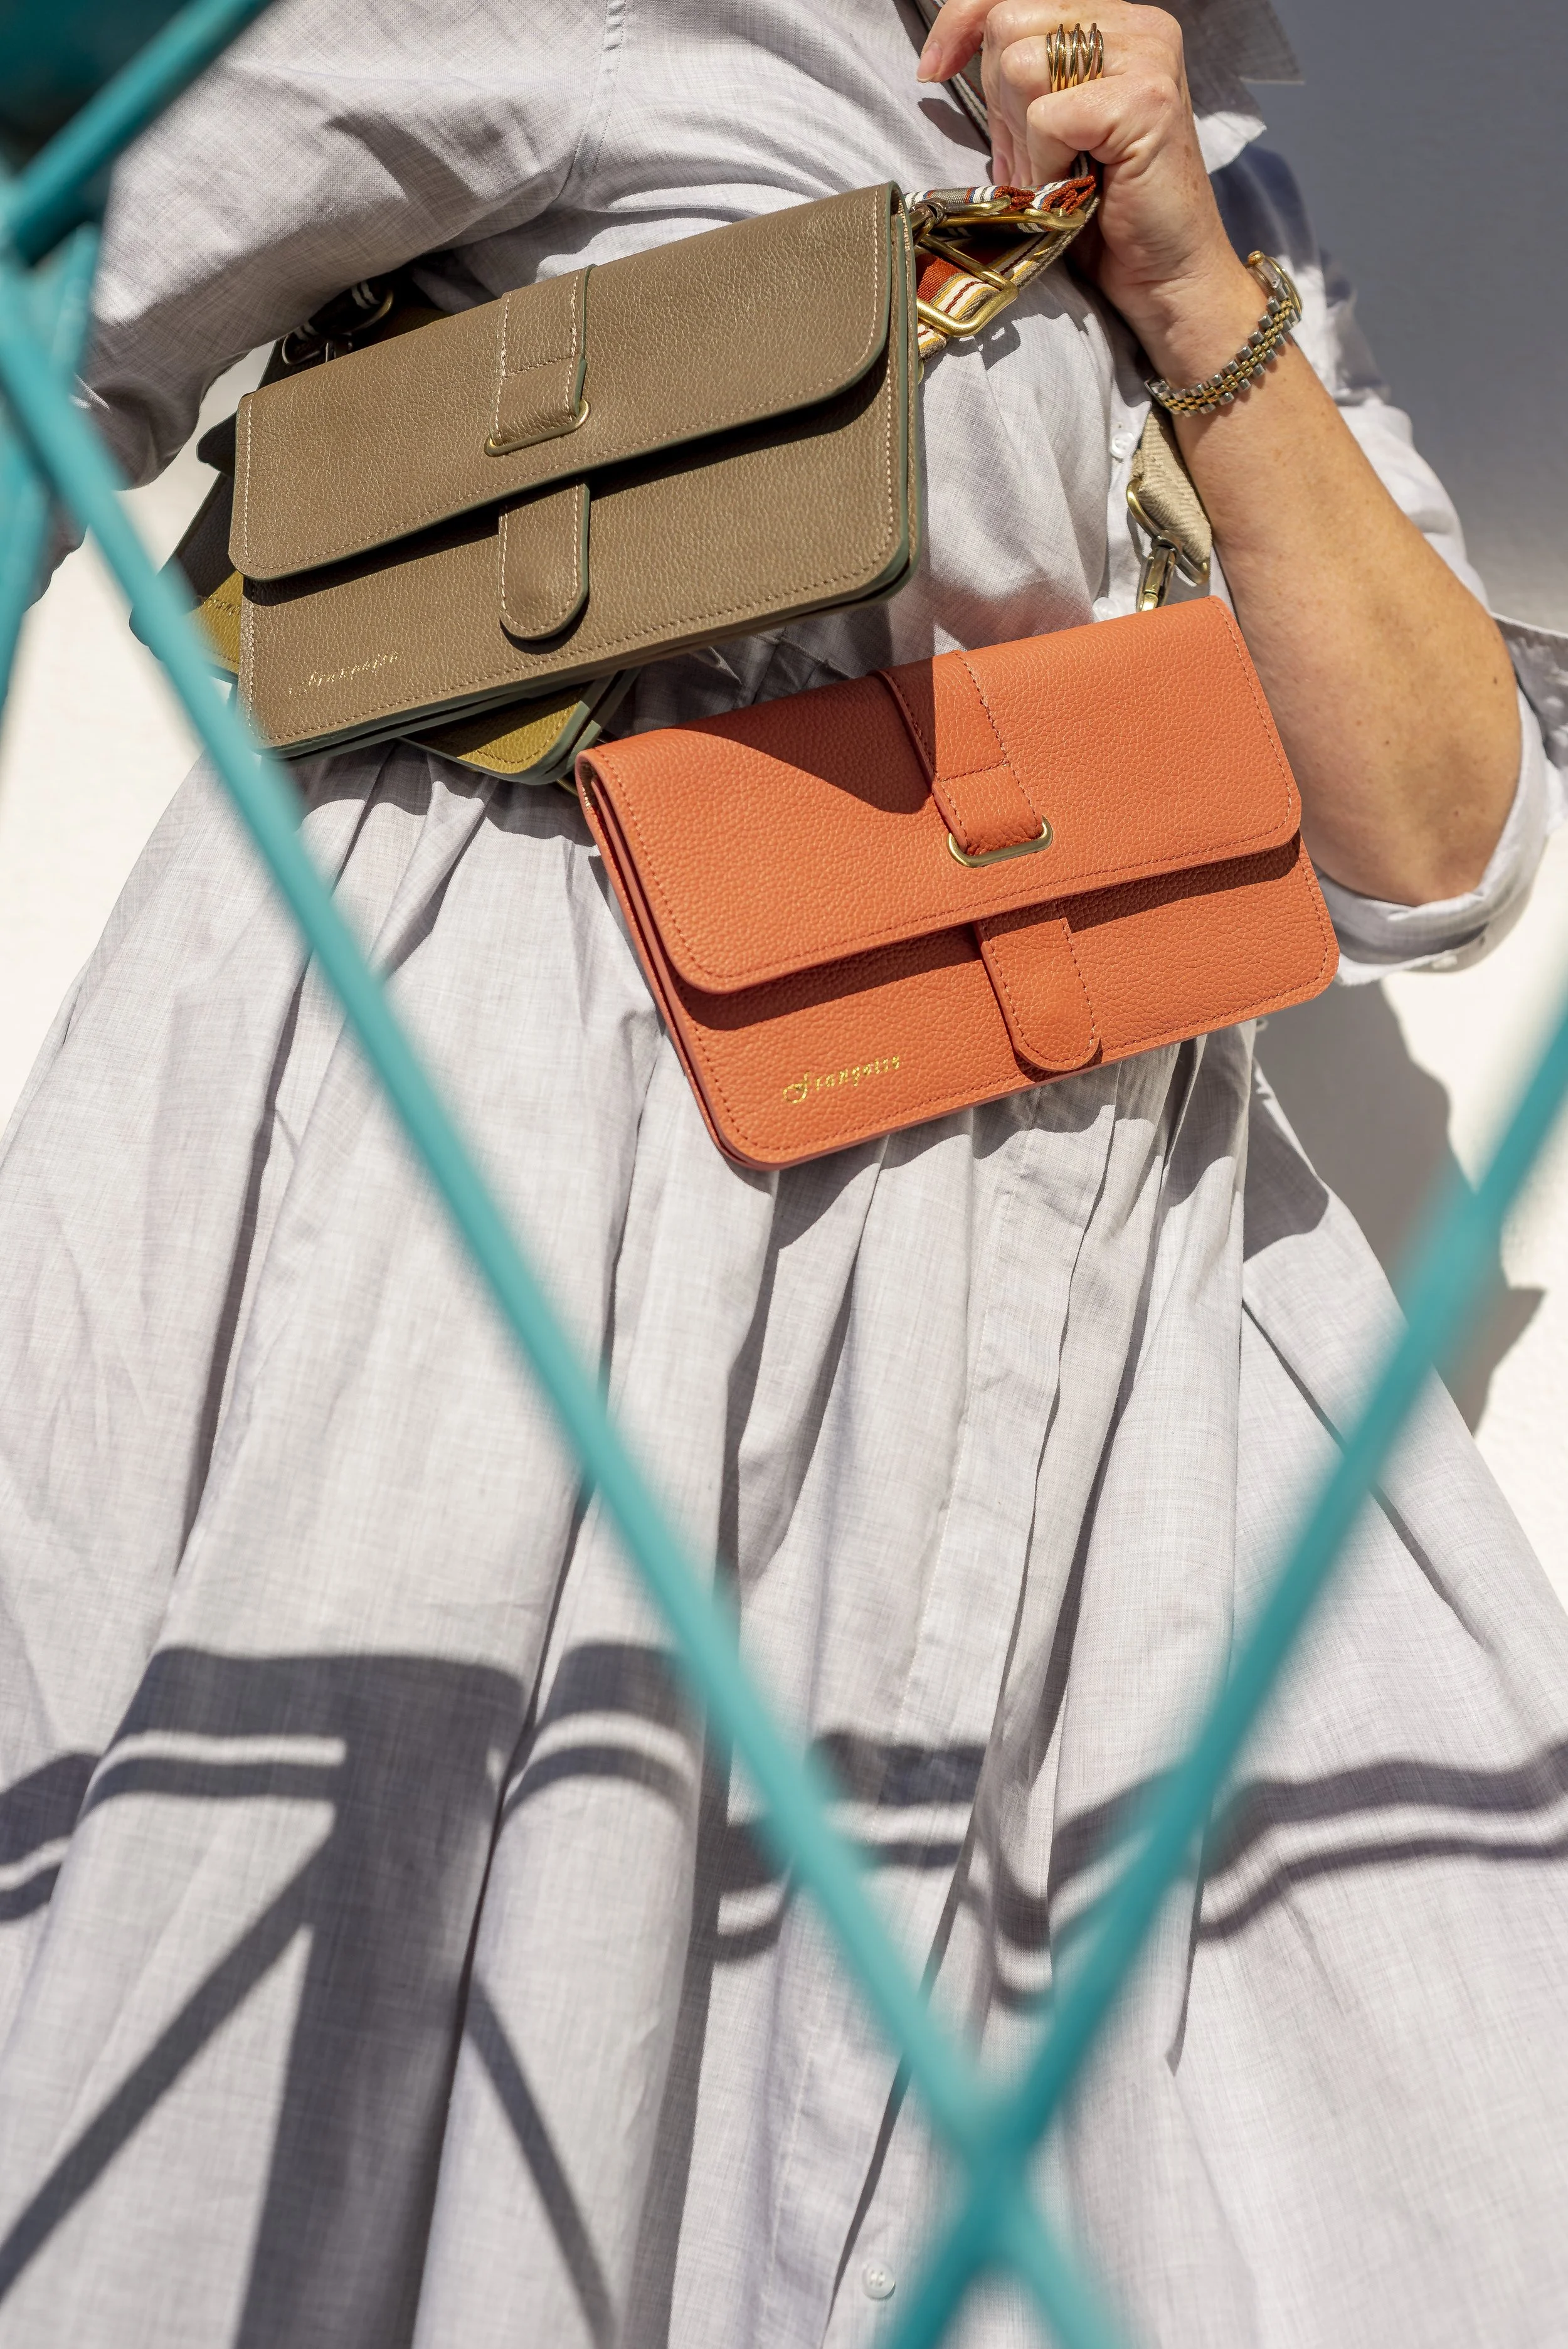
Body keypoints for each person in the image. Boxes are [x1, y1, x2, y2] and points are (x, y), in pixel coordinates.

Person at [0, 1, 1565, 2342]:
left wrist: (1180, 283)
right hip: (541, 1158)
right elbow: (57, 312)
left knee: (1381, 2058)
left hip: (1106, 1270)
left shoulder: (1228, 196)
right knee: (465, 2038)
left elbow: (1438, 849)